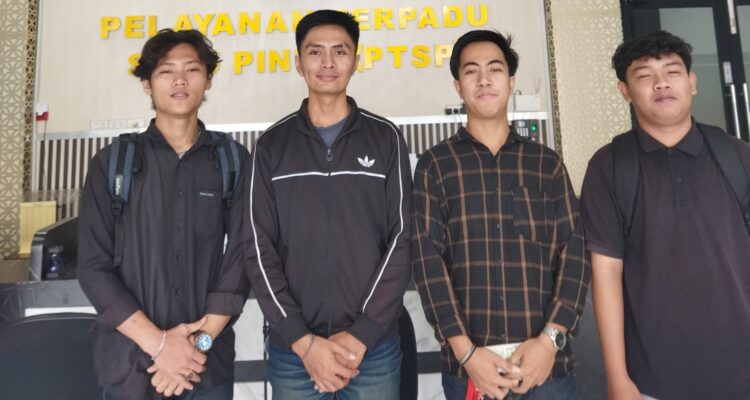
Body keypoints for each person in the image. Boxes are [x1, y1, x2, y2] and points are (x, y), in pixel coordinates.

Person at [412, 30, 589, 400]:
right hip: (471, 369)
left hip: (546, 368)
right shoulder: (436, 165)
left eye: (495, 69)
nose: (484, 79)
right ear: (458, 86)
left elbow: (574, 254)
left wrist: (550, 340)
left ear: (510, 82)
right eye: (471, 71)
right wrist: (467, 353)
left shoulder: (546, 164)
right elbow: (428, 263)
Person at [245, 9, 412, 400]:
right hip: (293, 354)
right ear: (298, 62)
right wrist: (302, 341)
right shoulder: (271, 146)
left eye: (340, 51)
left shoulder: (385, 138)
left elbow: (403, 238)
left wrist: (362, 334)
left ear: (356, 60)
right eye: (315, 51)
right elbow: (257, 246)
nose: (328, 62)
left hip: (373, 350)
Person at [78, 28, 250, 400]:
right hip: (129, 365)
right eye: (166, 70)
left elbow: (242, 259)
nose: (180, 80)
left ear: (208, 80)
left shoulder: (233, 161)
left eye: (192, 69)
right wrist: (160, 346)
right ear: (147, 83)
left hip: (206, 367)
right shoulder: (112, 163)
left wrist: (195, 348)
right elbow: (93, 267)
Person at [580, 30, 750, 400]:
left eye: (672, 72)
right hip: (651, 382)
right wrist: (617, 377)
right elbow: (605, 273)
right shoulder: (609, 167)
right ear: (624, 90)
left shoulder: (737, 156)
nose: (661, 83)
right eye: (644, 75)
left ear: (692, 82)